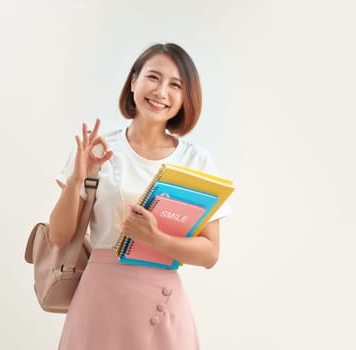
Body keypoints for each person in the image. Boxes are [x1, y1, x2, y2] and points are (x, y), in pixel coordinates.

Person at [49, 43, 231, 350]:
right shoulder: (96, 148)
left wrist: (155, 238)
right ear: (133, 82)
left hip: (162, 304)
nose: (161, 92)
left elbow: (210, 253)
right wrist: (77, 178)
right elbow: (59, 235)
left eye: (176, 85)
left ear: (185, 98)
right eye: (153, 77)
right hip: (99, 302)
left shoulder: (197, 161)